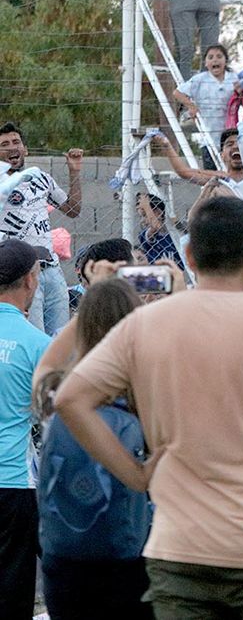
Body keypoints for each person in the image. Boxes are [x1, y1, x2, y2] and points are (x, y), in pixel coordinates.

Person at [54, 196, 243, 617]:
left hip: (182, 549)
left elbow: (69, 398)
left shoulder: (147, 323)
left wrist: (134, 475)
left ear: (188, 255)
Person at [34, 278, 154, 620]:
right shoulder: (143, 399)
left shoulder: (55, 394)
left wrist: (88, 306)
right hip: (128, 557)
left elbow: (47, 361)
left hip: (63, 556)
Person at [0, 240, 50, 619]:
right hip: (12, 482)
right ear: (31, 281)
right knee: (12, 591)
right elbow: (54, 414)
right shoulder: (38, 345)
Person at [0, 123, 83, 335]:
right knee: (34, 335)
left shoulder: (40, 178)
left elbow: (73, 210)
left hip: (52, 270)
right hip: (21, 274)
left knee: (60, 336)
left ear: (25, 149)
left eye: (16, 142)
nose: (12, 148)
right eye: (4, 144)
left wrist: (74, 172)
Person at [172, 44, 239, 169]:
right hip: (209, 138)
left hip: (232, 138)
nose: (215, 60)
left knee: (232, 175)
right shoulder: (200, 79)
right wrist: (191, 106)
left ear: (225, 61)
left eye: (219, 56)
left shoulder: (234, 79)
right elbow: (177, 93)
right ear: (206, 63)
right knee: (212, 177)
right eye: (211, 57)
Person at [136, 193, 184, 269]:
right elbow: (156, 227)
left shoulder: (174, 234)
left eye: (145, 215)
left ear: (159, 212)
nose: (142, 221)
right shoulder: (145, 235)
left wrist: (146, 206)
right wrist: (146, 206)